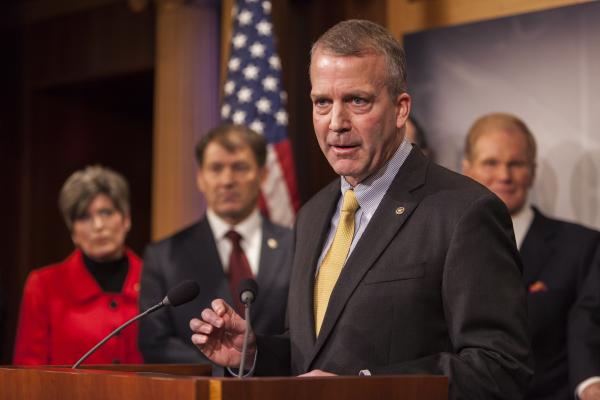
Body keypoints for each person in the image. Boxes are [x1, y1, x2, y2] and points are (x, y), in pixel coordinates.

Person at [190, 20, 532, 399]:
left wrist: (364, 388)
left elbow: (500, 368)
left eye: (357, 101)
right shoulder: (313, 214)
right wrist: (254, 353)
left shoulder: (464, 211)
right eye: (322, 102)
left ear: (400, 108)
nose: (336, 123)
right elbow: (315, 358)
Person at [462, 112, 600, 400]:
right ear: (467, 169)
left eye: (516, 164)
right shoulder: (443, 244)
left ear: (533, 172)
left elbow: (585, 328)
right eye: (491, 163)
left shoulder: (581, 246)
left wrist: (590, 384)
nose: (504, 176)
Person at [139, 124, 293, 363]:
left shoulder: (296, 246)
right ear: (200, 178)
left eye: (240, 167)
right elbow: (155, 342)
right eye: (216, 168)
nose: (227, 180)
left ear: (263, 175)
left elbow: (304, 334)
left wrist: (258, 360)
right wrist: (225, 367)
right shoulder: (163, 256)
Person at [13, 166, 143, 365]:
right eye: (84, 217)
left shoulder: (155, 278)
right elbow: (28, 374)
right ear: (72, 232)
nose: (98, 225)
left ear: (126, 219)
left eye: (106, 212)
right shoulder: (44, 285)